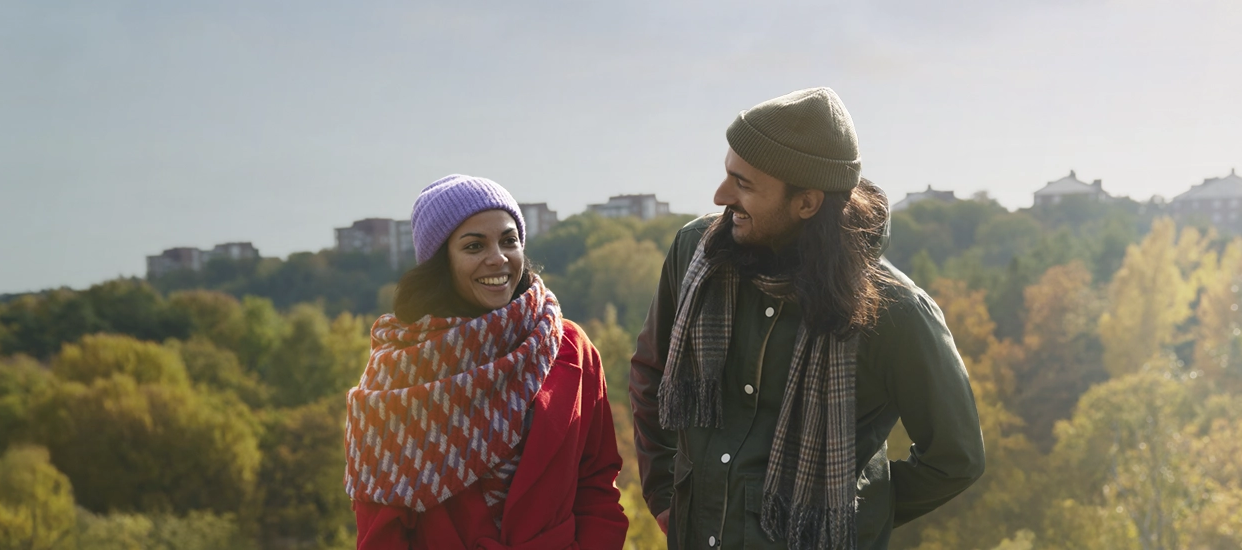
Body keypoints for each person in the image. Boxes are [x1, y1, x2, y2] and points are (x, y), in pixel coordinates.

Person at [629, 88, 986, 549]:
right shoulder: (696, 253)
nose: (720, 196)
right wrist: (662, 492)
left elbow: (954, 458)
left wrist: (850, 514)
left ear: (807, 203)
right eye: (727, 174)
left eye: (744, 184)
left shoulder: (895, 311)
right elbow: (652, 373)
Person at [347, 174, 630, 549]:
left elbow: (596, 480)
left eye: (508, 240)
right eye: (474, 246)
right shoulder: (398, 371)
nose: (497, 258)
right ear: (441, 262)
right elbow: (380, 526)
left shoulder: (567, 346)